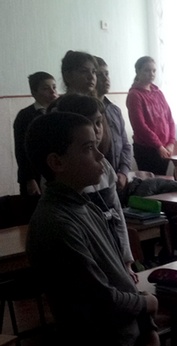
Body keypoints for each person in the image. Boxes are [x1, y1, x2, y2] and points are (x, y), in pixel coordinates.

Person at [25, 112, 159, 346]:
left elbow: (121, 278)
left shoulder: (86, 206)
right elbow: (102, 299)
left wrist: (148, 330)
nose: (101, 155)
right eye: (88, 148)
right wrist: (147, 304)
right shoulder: (56, 223)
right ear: (56, 162)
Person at [50, 93, 137, 281]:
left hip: (113, 256)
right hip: (94, 264)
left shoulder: (104, 166)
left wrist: (126, 260)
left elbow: (117, 214)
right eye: (89, 123)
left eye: (99, 122)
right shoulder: (68, 175)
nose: (96, 130)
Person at [126, 56, 177, 175]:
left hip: (165, 147)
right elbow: (140, 126)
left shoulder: (158, 93)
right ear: (138, 71)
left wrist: (171, 143)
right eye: (147, 70)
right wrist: (159, 146)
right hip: (147, 149)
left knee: (162, 181)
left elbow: (170, 119)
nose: (151, 74)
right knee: (151, 182)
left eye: (154, 71)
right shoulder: (134, 95)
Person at [13, 71, 58, 195]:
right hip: (35, 175)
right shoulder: (25, 116)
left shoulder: (60, 113)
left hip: (56, 172)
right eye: (46, 88)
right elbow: (21, 151)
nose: (52, 92)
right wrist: (29, 179)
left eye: (54, 87)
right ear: (34, 92)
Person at [61, 50, 112, 158]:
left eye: (93, 72)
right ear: (68, 76)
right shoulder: (59, 108)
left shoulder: (96, 105)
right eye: (84, 71)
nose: (91, 77)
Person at [95, 56, 133, 190]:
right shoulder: (87, 111)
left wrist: (123, 172)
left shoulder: (114, 110)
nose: (106, 79)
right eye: (100, 75)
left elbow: (125, 145)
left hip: (118, 177)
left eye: (107, 74)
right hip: (98, 180)